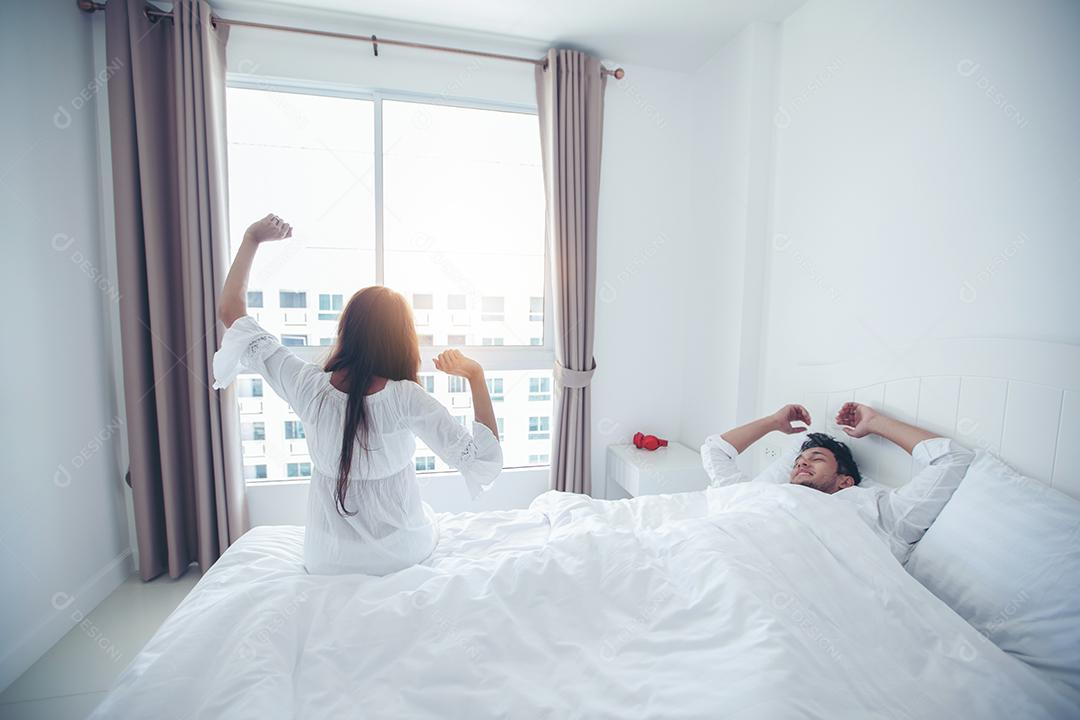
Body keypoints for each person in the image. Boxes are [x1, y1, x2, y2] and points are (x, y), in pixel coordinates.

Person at [213, 214, 503, 575]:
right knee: (428, 519)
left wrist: (252, 238)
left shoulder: (307, 385)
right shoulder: (405, 397)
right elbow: (484, 462)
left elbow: (230, 311)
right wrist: (475, 375)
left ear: (346, 329)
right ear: (402, 339)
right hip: (402, 554)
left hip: (327, 559)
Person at [701, 402, 974, 562]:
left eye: (816, 458)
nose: (801, 464)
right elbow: (714, 450)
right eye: (797, 463)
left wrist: (876, 422)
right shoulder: (763, 494)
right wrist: (773, 421)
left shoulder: (879, 513)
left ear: (845, 481)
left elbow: (952, 459)